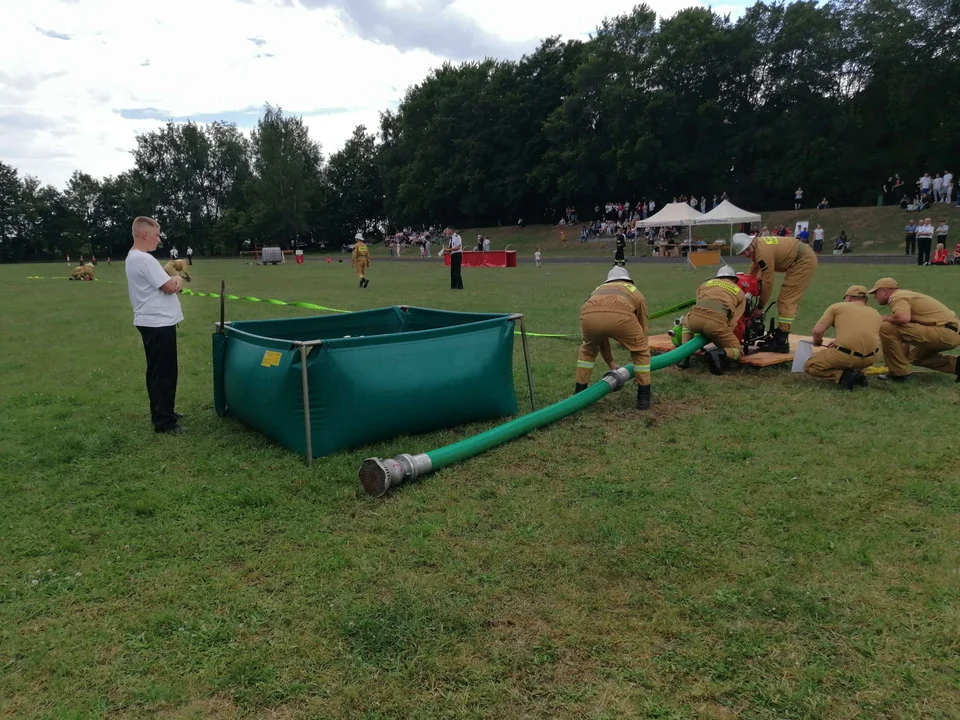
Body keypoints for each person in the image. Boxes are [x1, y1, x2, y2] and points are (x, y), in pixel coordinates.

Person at [125, 216, 185, 434]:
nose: (159, 240)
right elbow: (169, 286)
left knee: (158, 371)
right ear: (145, 235)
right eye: (157, 235)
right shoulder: (144, 259)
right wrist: (178, 279)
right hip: (157, 323)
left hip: (152, 321)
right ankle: (164, 421)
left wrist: (173, 280)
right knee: (164, 373)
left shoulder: (134, 258)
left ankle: (163, 411)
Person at [574, 266, 652, 410]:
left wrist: (611, 364)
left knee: (588, 351)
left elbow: (601, 336)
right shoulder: (634, 290)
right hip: (622, 317)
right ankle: (643, 397)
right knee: (640, 351)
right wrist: (640, 346)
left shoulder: (598, 289)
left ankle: (579, 393)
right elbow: (643, 324)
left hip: (588, 317)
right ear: (628, 279)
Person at [731, 231, 818, 353]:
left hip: (802, 260)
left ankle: (782, 339)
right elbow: (754, 268)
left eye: (747, 250)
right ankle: (779, 334)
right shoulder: (757, 245)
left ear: (751, 243)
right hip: (798, 255)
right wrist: (747, 283)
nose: (746, 253)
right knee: (775, 293)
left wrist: (760, 306)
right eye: (742, 253)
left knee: (786, 300)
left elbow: (768, 282)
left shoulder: (762, 253)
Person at [868, 277, 960, 382]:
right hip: (950, 332)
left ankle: (898, 375)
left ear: (884, 291)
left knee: (886, 327)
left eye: (875, 293)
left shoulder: (896, 297)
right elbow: (904, 331)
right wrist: (898, 360)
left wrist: (883, 318)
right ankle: (957, 365)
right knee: (916, 357)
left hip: (945, 332)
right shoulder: (906, 295)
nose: (874, 297)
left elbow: (903, 318)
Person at [803, 285, 881, 390]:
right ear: (866, 300)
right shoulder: (875, 313)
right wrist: (838, 341)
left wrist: (818, 341)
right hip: (870, 359)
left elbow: (817, 331)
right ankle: (859, 372)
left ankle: (844, 376)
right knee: (851, 358)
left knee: (810, 365)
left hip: (846, 356)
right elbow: (865, 334)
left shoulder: (837, 307)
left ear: (848, 297)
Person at [678, 265, 746, 374]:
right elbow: (734, 321)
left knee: (686, 324)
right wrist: (723, 334)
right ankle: (718, 354)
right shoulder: (739, 292)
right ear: (734, 279)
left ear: (717, 277)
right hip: (715, 324)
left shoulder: (705, 284)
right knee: (738, 351)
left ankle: (684, 356)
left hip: (694, 319)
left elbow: (698, 301)